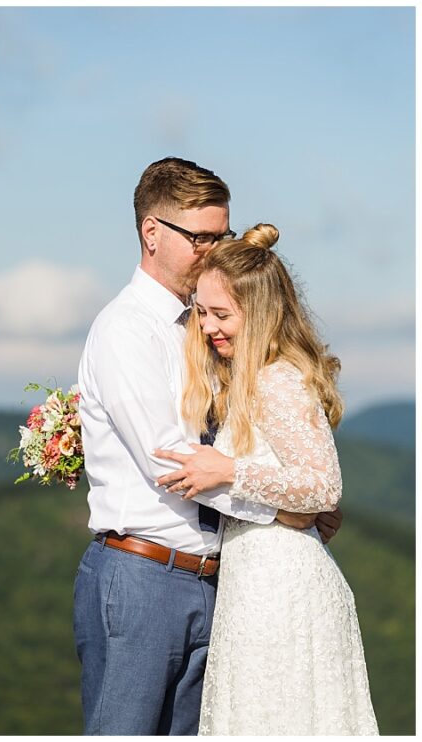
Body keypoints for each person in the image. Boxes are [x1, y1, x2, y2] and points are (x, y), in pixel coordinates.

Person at [70, 157, 340, 735]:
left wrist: (291, 493)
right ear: (151, 233)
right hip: (143, 576)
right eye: (202, 237)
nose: (215, 249)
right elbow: (174, 460)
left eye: (222, 234)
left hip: (219, 578)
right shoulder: (126, 331)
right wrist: (291, 509)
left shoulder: (205, 329)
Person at [151, 224, 378, 734]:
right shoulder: (251, 379)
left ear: (260, 313)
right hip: (254, 579)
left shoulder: (279, 380)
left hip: (282, 587)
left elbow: (323, 486)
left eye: (222, 315)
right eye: (202, 312)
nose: (208, 327)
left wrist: (228, 470)